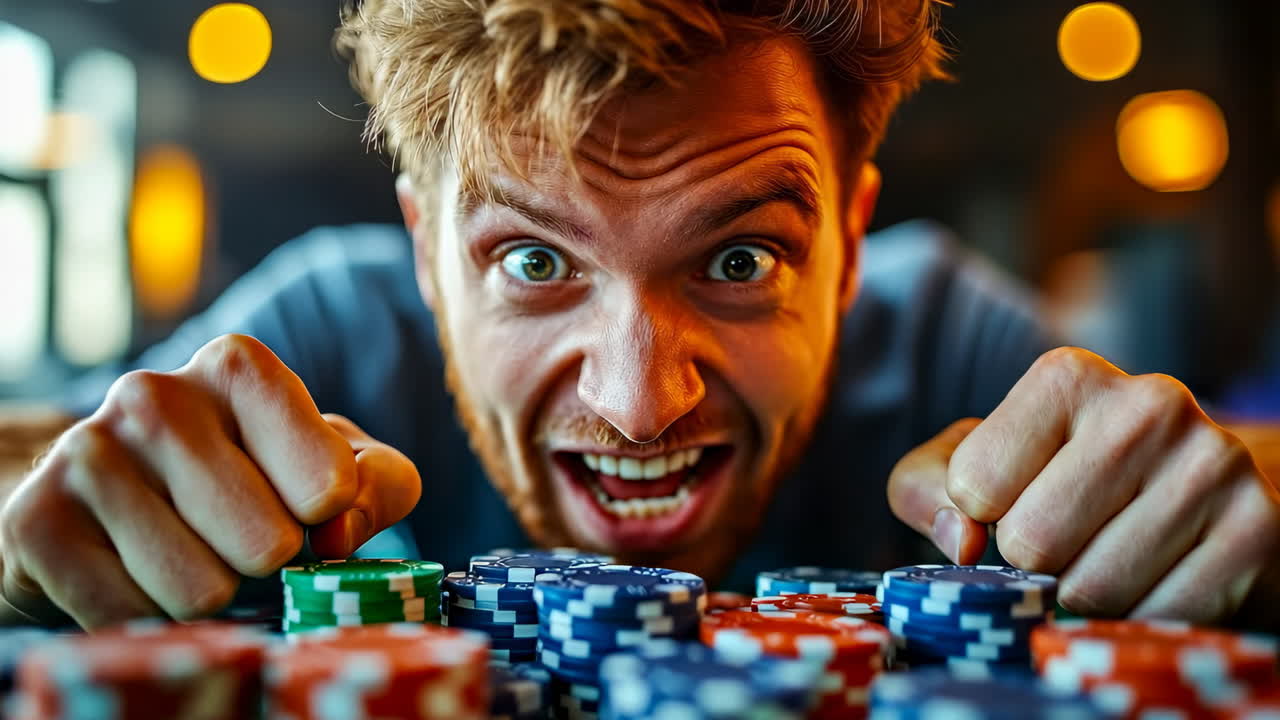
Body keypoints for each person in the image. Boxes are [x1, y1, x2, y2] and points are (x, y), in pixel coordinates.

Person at [1, 0, 1278, 632]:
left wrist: (1236, 515)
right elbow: (59, 464)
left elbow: (1201, 484)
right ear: (425, 260)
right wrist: (28, 538)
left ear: (846, 251)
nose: (634, 400)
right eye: (531, 263)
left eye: (736, 261)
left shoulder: (947, 339)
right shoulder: (323, 324)